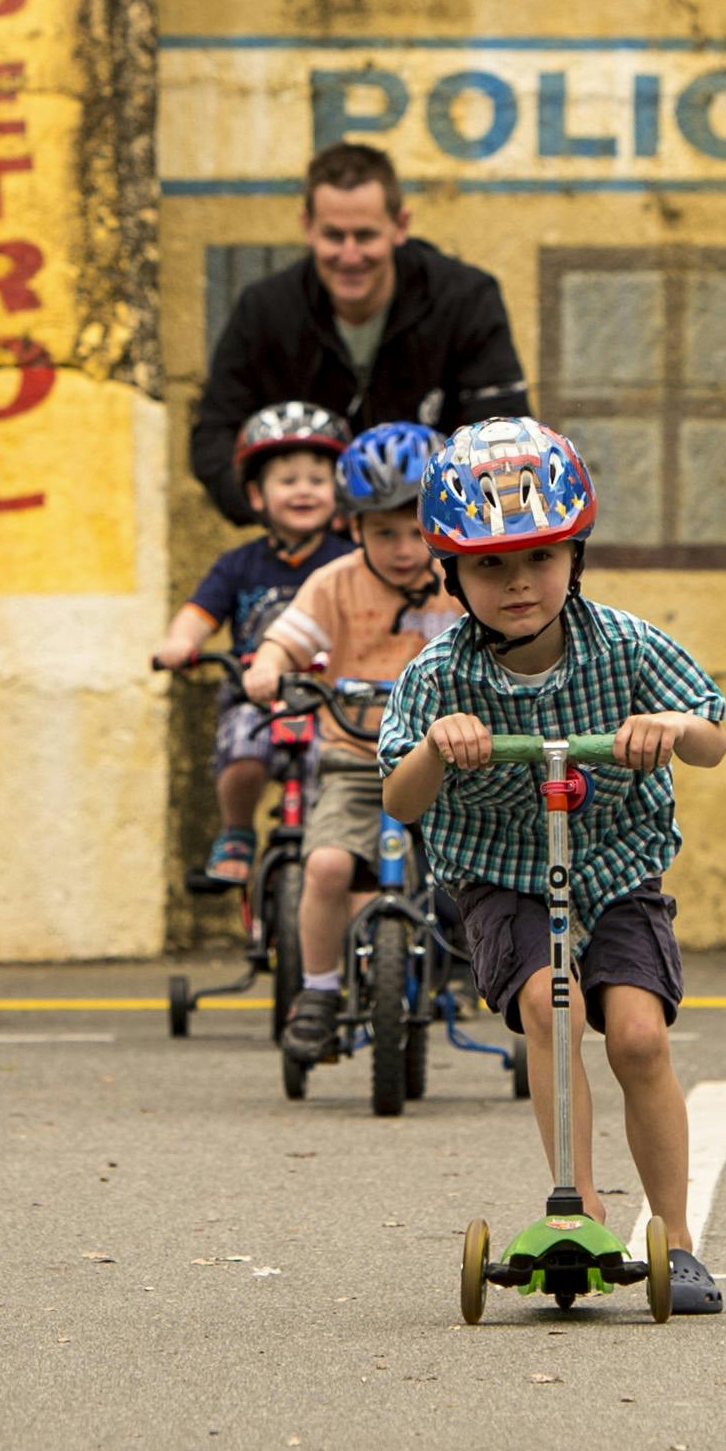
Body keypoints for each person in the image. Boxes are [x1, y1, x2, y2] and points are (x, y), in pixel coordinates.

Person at [381, 419, 726, 1315]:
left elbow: (713, 738)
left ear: (576, 555)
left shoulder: (624, 644)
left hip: (615, 865)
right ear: (452, 574)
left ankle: (678, 1238)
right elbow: (400, 801)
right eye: (490, 566)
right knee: (548, 1001)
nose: (519, 583)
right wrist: (435, 744)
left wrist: (673, 730)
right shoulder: (437, 674)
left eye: (540, 557)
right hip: (501, 877)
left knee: (640, 1036)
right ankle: (582, 1209)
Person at [248, 420, 455, 1067]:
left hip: (453, 765)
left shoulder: (464, 580)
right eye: (382, 532)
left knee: (489, 871)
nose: (402, 549)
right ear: (353, 526)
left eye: (416, 530)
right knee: (329, 866)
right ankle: (316, 990)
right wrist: (268, 666)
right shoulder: (334, 582)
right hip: (357, 758)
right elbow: (291, 637)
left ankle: (495, 968)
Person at [185, 142, 530, 522]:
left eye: (365, 236)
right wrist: (282, 511)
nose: (349, 256)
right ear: (307, 228)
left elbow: (504, 434)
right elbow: (214, 437)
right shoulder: (263, 311)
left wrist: (432, 513)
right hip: (313, 542)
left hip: (435, 535)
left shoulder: (465, 299)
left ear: (400, 226)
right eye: (334, 236)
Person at [155, 401, 350, 884]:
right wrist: (179, 643)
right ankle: (237, 830)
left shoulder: (350, 560)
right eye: (288, 481)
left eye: (317, 479)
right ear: (256, 496)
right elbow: (197, 615)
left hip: (332, 699)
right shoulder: (238, 565)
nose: (303, 490)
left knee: (328, 774)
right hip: (256, 695)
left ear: (339, 492)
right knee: (243, 747)